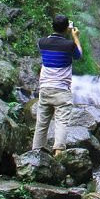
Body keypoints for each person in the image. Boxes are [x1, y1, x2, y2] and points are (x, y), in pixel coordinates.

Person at [32, 14, 82, 156]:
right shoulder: (69, 45)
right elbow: (79, 55)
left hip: (45, 88)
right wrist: (75, 36)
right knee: (61, 122)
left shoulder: (42, 42)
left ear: (52, 26)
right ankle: (58, 152)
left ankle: (35, 153)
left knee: (41, 123)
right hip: (61, 91)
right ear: (67, 28)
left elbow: (51, 41)